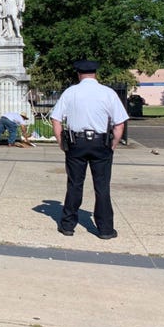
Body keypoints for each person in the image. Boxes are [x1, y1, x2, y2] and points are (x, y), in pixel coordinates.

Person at [51, 60, 128, 239]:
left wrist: (61, 142)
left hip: (76, 143)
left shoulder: (71, 92)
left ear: (78, 73)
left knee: (74, 184)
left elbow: (56, 119)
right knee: (102, 187)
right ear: (95, 73)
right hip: (101, 143)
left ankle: (68, 225)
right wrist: (113, 144)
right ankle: (105, 229)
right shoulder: (108, 93)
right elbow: (119, 124)